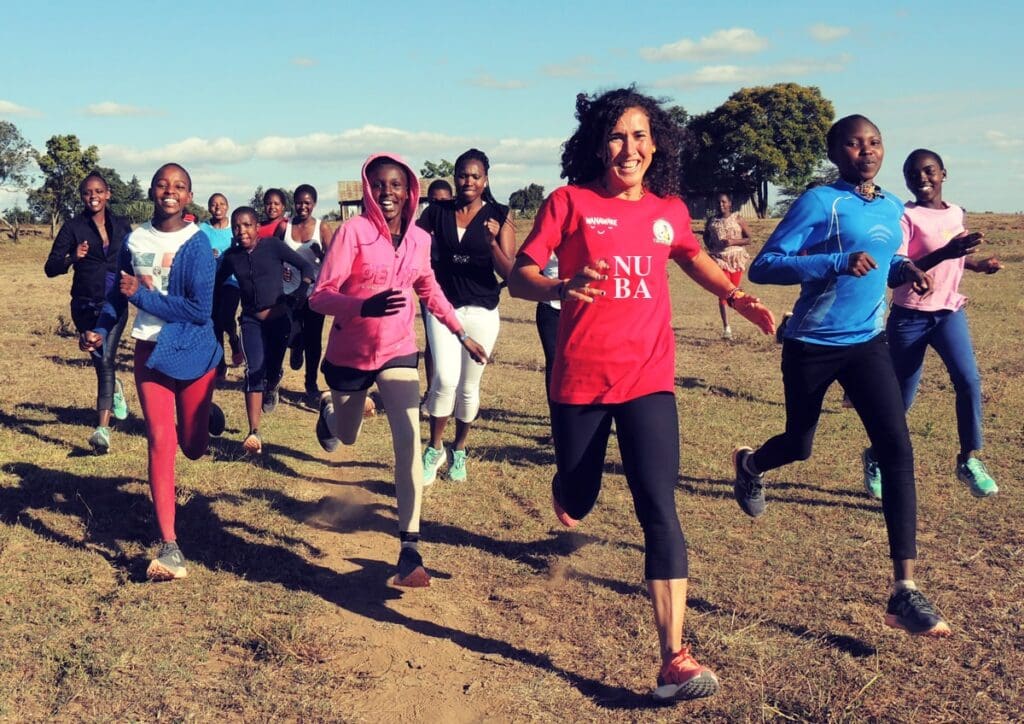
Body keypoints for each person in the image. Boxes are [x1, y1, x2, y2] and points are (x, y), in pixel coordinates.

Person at [508, 87, 776, 703]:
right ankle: (567, 486)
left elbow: (692, 257)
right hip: (579, 380)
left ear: (655, 144)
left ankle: (673, 659)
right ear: (598, 144)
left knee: (659, 505)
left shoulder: (670, 210)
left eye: (639, 136)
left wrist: (734, 294)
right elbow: (521, 275)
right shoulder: (569, 202)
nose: (628, 148)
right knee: (579, 494)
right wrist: (560, 284)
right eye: (616, 136)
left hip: (648, 379)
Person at [734, 115, 952, 638]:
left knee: (897, 450)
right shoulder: (819, 202)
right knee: (800, 443)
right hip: (812, 344)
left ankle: (905, 591)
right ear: (835, 151)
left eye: (874, 142)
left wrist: (905, 269)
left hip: (866, 343)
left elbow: (887, 258)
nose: (867, 151)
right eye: (854, 144)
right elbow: (764, 266)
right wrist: (832, 261)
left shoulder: (890, 206)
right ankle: (751, 464)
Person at [310, 153, 487, 587]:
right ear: (368, 189)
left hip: (398, 350)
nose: (387, 193)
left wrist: (461, 332)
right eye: (379, 185)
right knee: (347, 437)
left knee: (408, 440)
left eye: (396, 185)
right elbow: (319, 295)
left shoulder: (419, 239)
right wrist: (360, 306)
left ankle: (409, 548)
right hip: (349, 353)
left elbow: (427, 285)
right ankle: (330, 415)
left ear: (410, 190)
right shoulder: (352, 232)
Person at [80, 162, 225, 581]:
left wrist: (144, 295)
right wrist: (100, 328)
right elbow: (117, 295)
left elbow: (199, 311)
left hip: (194, 351)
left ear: (189, 195)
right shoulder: (134, 239)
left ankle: (204, 416)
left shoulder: (196, 244)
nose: (170, 191)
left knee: (193, 446)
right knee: (161, 440)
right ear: (151, 191)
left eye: (179, 186)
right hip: (151, 353)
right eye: (163, 184)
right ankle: (170, 546)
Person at [860, 149, 1003, 499]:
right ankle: (876, 456)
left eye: (929, 171)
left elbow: (955, 255)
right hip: (910, 315)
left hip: (948, 312)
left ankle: (969, 459)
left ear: (943, 173)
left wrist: (977, 264)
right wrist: (948, 252)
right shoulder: (904, 216)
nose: (921, 178)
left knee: (968, 380)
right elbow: (900, 268)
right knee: (901, 399)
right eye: (913, 174)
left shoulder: (956, 213)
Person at [417, 149, 515, 483]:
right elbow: (412, 246)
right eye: (462, 175)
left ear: (486, 179)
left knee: (469, 387)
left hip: (483, 310)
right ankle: (435, 448)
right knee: (444, 378)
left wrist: (491, 243)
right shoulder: (437, 211)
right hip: (443, 308)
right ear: (455, 177)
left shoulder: (500, 214)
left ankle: (459, 450)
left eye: (475, 176)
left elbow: (510, 271)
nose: (468, 181)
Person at [45, 172, 132, 453]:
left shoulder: (122, 226)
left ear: (108, 194)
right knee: (100, 362)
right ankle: (114, 387)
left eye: (98, 191)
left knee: (105, 358)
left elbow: (135, 261)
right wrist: (73, 258)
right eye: (86, 192)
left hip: (115, 304)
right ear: (82, 197)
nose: (93, 196)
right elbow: (50, 267)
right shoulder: (73, 227)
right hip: (84, 305)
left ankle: (102, 430)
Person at [216, 207, 315, 454]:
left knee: (270, 370)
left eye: (247, 225)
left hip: (279, 319)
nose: (242, 231)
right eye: (237, 226)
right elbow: (214, 281)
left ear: (257, 226)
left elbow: (307, 268)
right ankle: (254, 432)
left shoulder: (273, 246)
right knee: (253, 370)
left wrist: (302, 290)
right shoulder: (231, 257)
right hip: (251, 320)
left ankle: (274, 383)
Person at [283, 184, 333, 408]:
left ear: (314, 204)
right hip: (288, 291)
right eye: (299, 202)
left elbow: (334, 260)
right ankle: (295, 346)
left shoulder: (322, 228)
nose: (303, 206)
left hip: (314, 293)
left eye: (307, 202)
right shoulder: (285, 226)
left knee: (313, 340)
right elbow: (274, 251)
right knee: (290, 332)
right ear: (294, 203)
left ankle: (310, 384)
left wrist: (320, 254)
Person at [419, 179, 454, 411]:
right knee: (433, 341)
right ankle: (431, 392)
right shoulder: (421, 228)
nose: (438, 205)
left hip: (457, 291)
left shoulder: (458, 223)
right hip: (430, 292)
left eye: (443, 201)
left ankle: (454, 393)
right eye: (433, 201)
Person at [201, 193, 243, 380]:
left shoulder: (234, 230)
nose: (217, 207)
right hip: (210, 282)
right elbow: (196, 251)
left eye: (221, 204)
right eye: (213, 204)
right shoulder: (202, 229)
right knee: (214, 323)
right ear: (209, 207)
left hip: (231, 281)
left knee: (225, 318)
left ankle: (234, 340)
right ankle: (220, 365)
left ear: (227, 207)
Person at [703, 192, 753, 339]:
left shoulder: (737, 218)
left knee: (733, 293)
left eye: (724, 202)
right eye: (718, 202)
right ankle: (727, 328)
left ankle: (750, 313)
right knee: (723, 292)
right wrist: (712, 247)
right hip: (720, 259)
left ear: (730, 203)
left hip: (736, 258)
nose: (721, 205)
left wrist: (733, 242)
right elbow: (706, 236)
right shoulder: (712, 221)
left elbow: (749, 239)